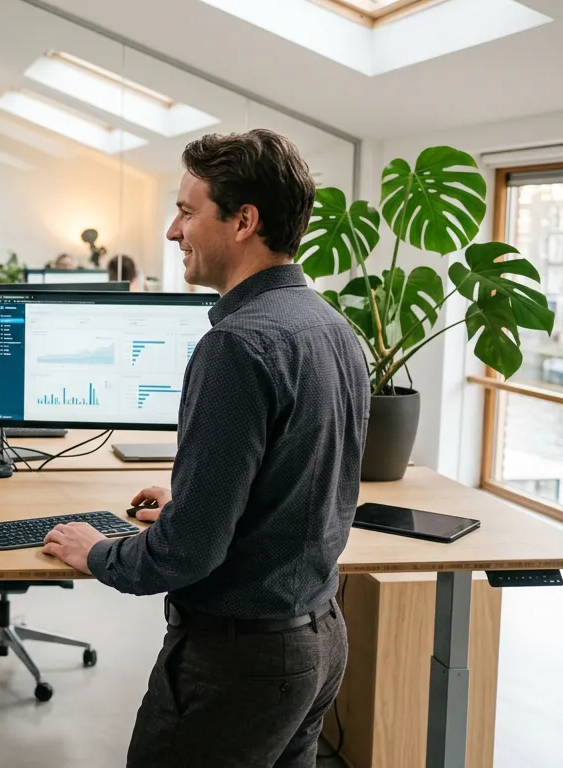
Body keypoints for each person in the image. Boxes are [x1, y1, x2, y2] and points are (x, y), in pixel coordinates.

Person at [42, 129, 370, 767]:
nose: (172, 231)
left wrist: (99, 553)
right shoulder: (330, 325)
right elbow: (303, 483)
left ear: (244, 221)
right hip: (318, 640)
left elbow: (188, 552)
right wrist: (195, 498)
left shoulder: (237, 346)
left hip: (239, 661)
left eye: (188, 211)